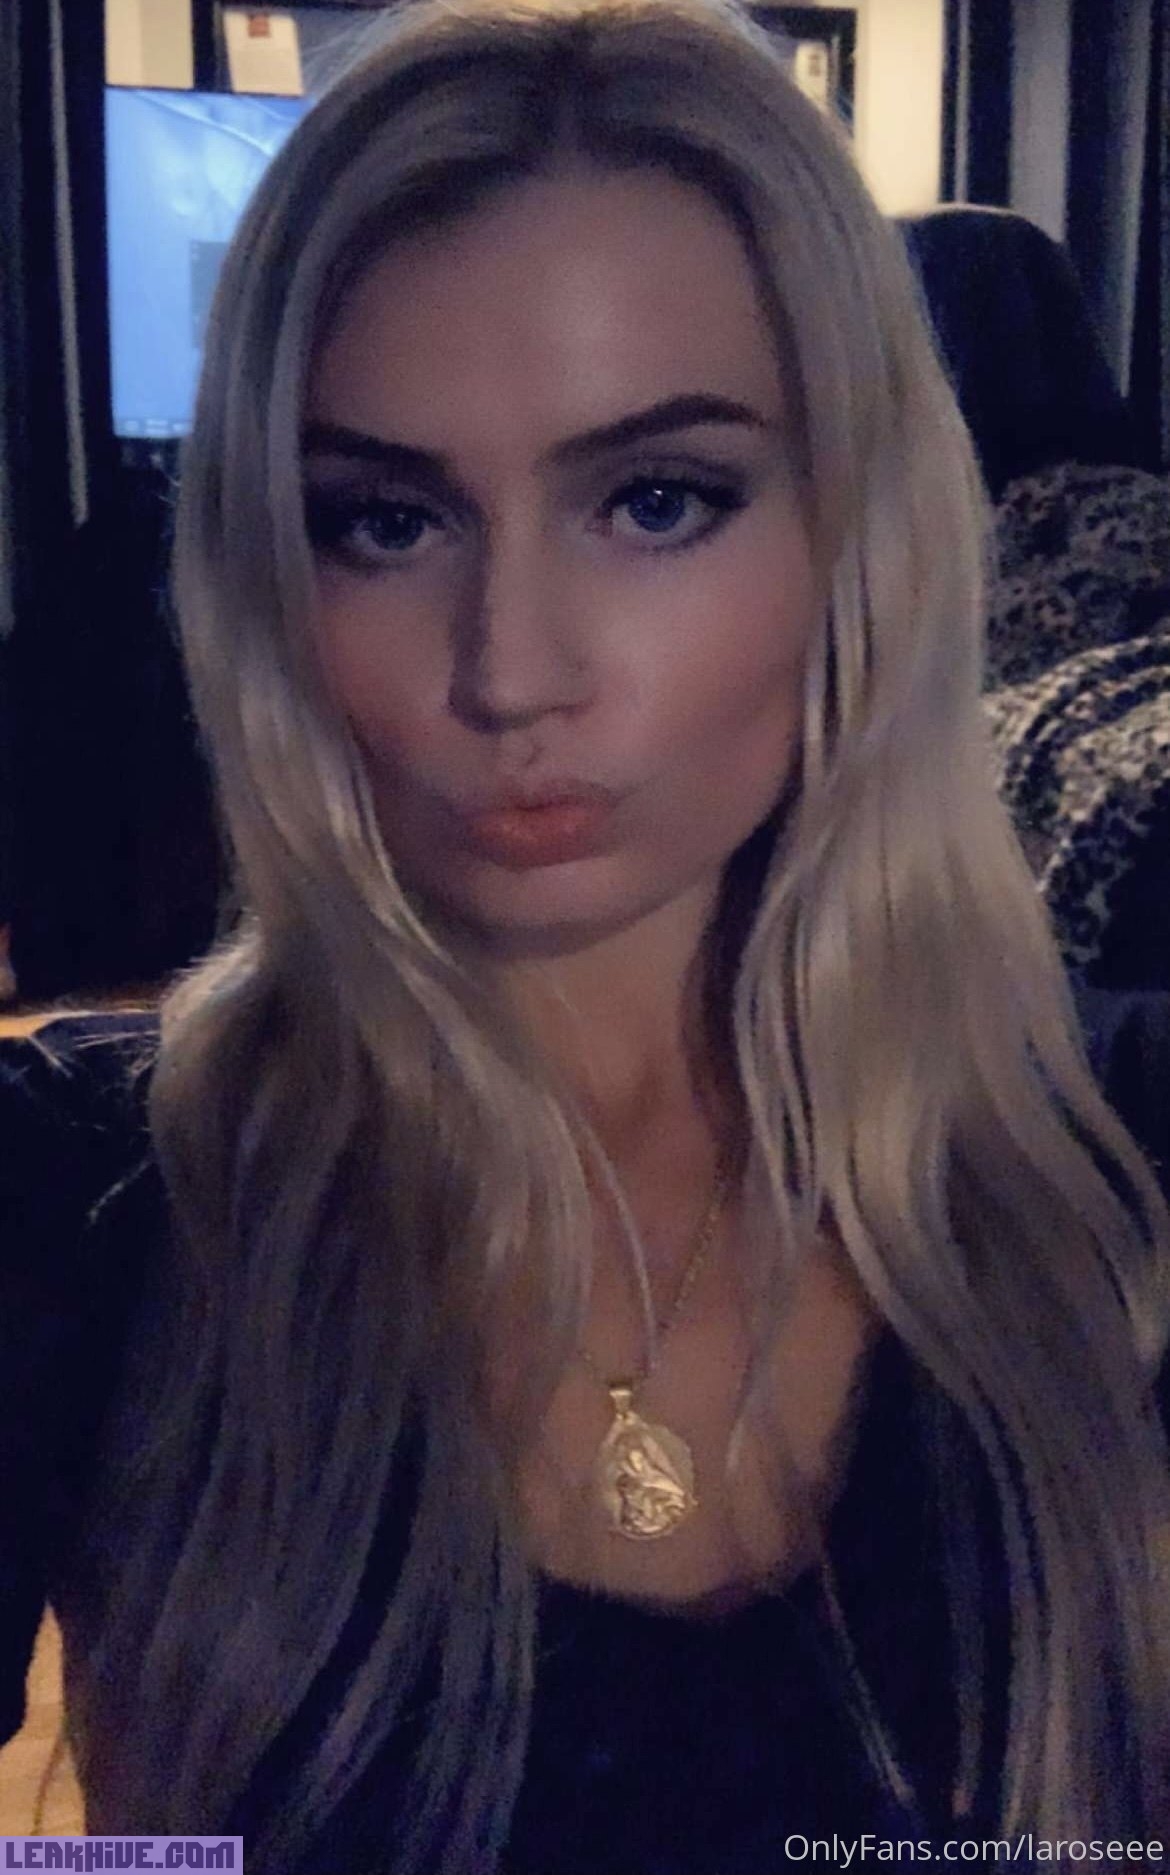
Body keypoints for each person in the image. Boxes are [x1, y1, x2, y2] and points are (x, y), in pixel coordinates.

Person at [3, 0, 1170, 1868]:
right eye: (383, 522)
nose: (511, 671)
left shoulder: (1117, 1161)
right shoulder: (83, 1196)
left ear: (856, 534)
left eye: (654, 500)